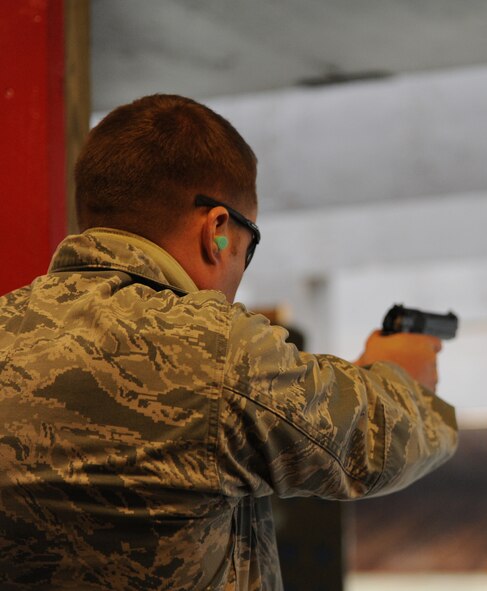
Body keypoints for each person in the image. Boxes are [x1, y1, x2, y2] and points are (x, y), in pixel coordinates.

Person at [0, 94, 458, 590]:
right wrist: (404, 377)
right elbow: (375, 443)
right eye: (248, 243)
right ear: (217, 230)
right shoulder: (216, 348)